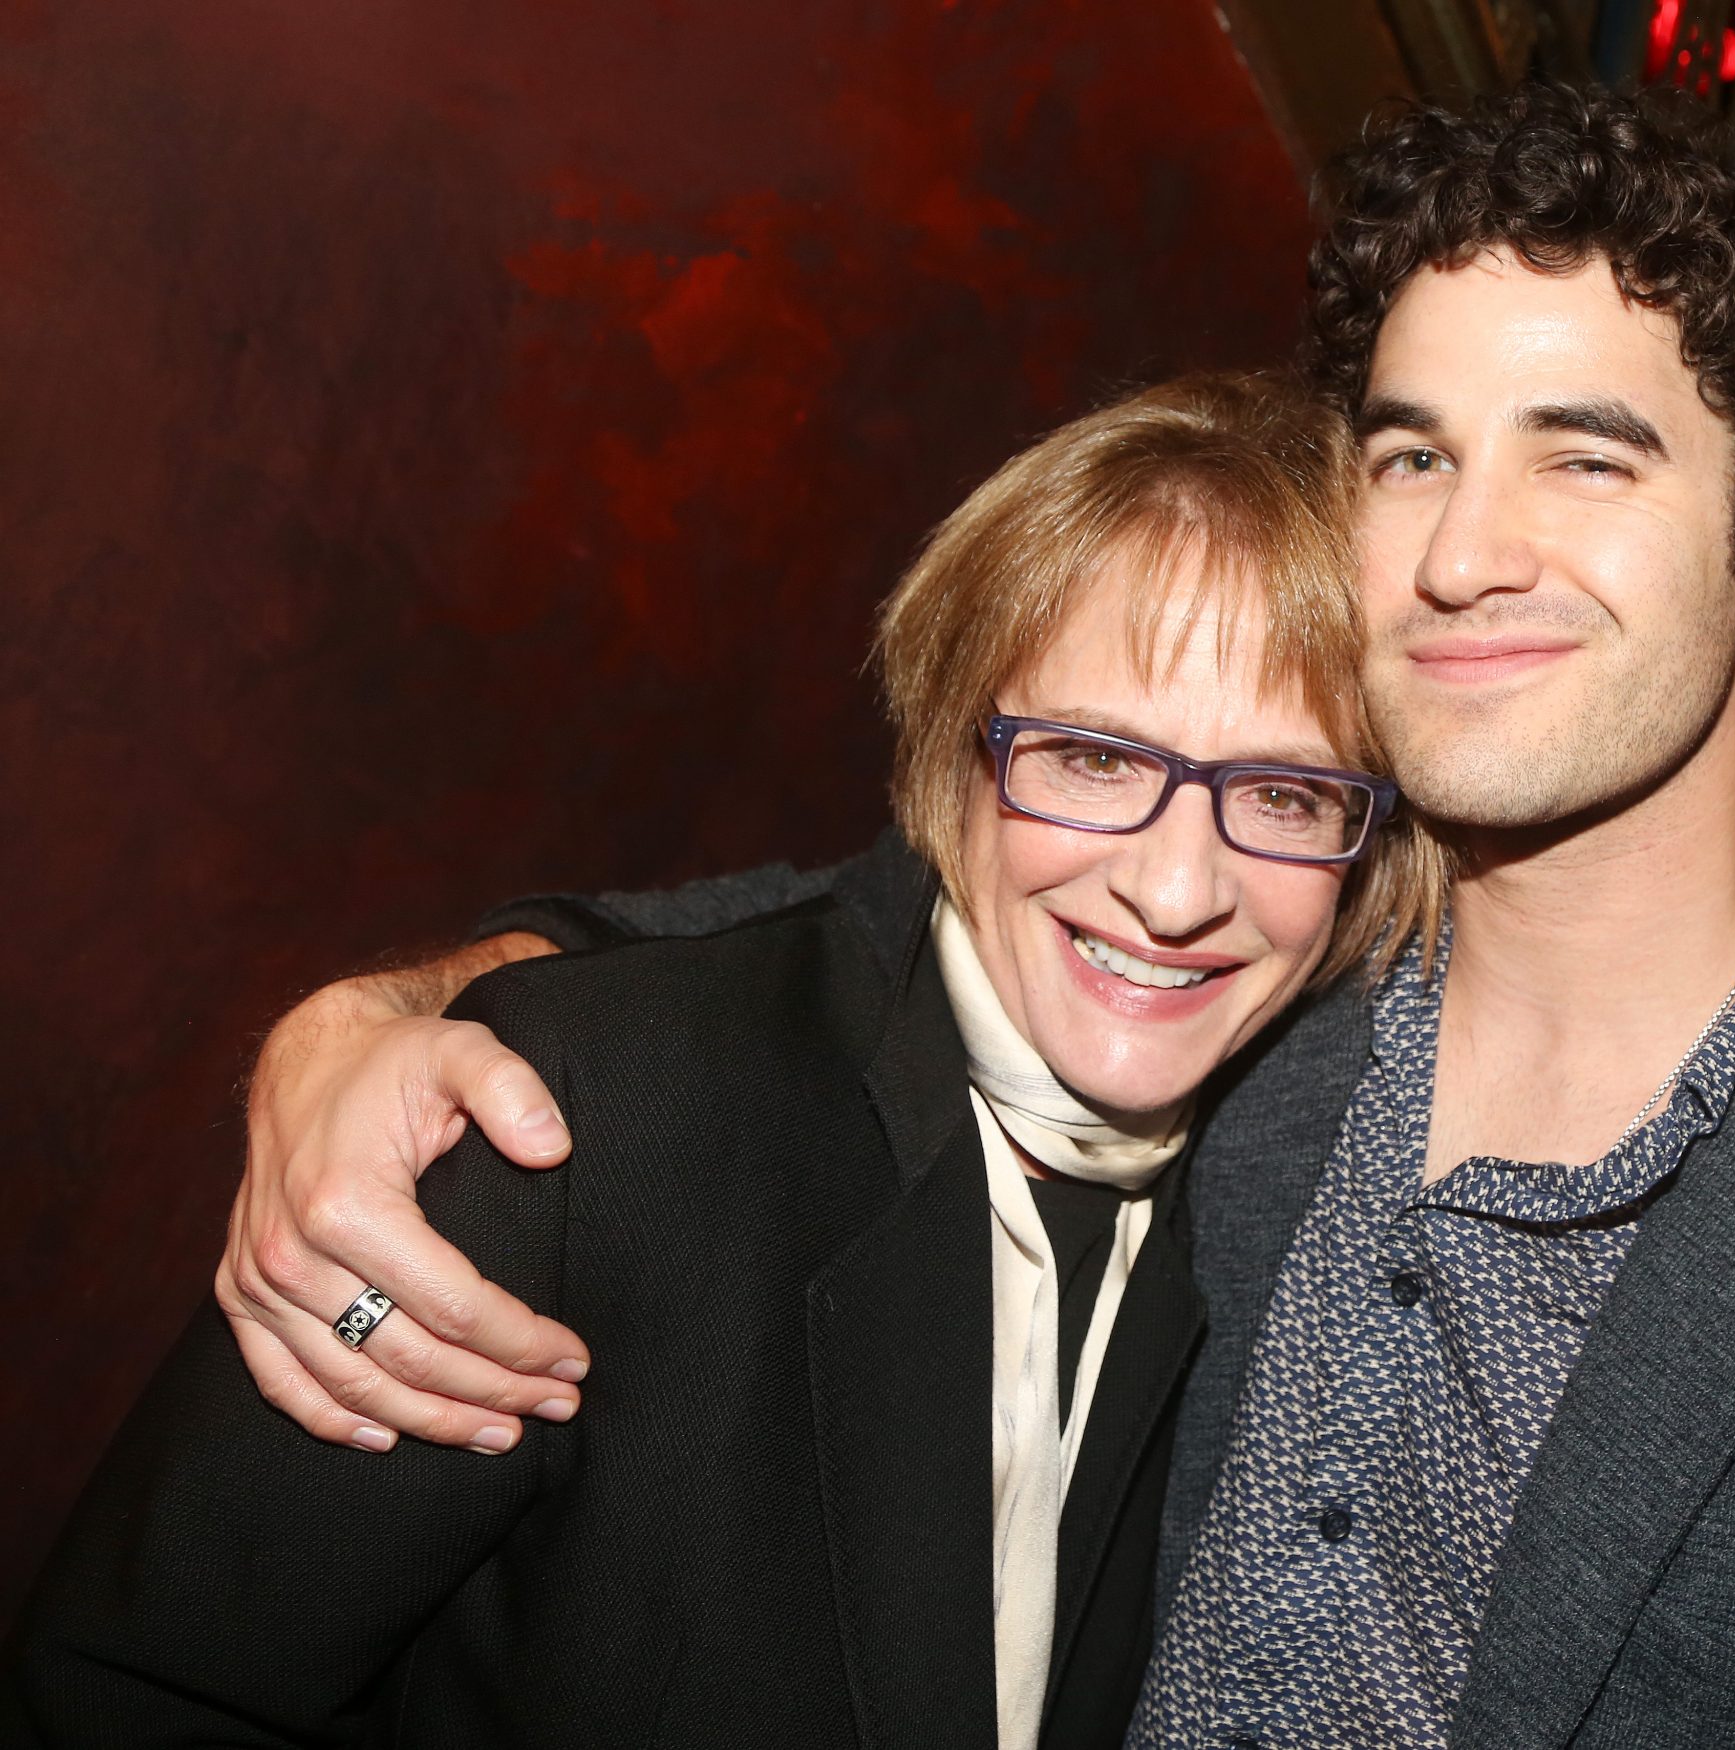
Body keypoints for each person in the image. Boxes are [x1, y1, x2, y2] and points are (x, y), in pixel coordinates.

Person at [191, 86, 1735, 1744]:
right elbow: (801, 946)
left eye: (1584, 459)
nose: (1467, 549)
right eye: (1411, 455)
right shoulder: (1250, 937)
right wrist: (376, 1014)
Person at [5, 373, 1434, 1747]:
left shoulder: (1284, 1206)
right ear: (956, 757)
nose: (1177, 889)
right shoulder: (567, 1123)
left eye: (1288, 791)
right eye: (1094, 759)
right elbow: (136, 1697)